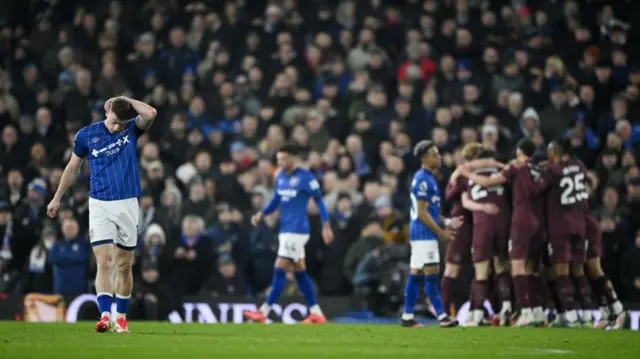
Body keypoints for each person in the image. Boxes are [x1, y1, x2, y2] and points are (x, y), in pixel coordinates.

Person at [46, 96, 157, 333]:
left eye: (121, 123)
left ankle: (121, 317)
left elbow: (150, 113)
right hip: (100, 204)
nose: (117, 127)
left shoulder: (131, 130)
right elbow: (72, 168)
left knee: (124, 265)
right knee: (104, 262)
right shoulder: (85, 135)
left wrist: (125, 99)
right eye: (115, 121)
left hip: (128, 203)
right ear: (106, 111)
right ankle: (105, 316)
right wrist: (57, 197)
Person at [243, 144, 333, 324]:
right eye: (278, 160)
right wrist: (263, 213)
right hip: (285, 230)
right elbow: (277, 198)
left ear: (294, 158)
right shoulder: (280, 176)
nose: (280, 162)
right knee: (300, 272)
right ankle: (316, 313)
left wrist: (326, 226)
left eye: (284, 159)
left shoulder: (306, 178)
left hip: (297, 230)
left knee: (279, 268)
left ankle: (264, 311)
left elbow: (320, 202)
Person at [460, 139, 547, 326]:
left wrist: (466, 172)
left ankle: (520, 312)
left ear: (518, 151)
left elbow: (486, 182)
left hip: (515, 220)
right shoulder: (538, 169)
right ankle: (534, 310)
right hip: (538, 221)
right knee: (531, 269)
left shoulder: (515, 167)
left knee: (507, 268)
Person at [401, 140, 461, 328]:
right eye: (435, 154)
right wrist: (440, 232)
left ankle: (407, 317)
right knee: (432, 276)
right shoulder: (423, 180)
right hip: (424, 234)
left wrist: (448, 222)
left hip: (421, 234)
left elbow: (431, 211)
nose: (439, 156)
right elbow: (421, 212)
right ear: (425, 157)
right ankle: (442, 317)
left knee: (416, 275)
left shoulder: (428, 178)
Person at [540, 139, 589, 328]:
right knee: (578, 271)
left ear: (555, 152)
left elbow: (542, 182)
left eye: (549, 151)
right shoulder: (579, 165)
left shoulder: (552, 170)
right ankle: (585, 314)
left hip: (560, 225)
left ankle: (570, 316)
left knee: (560, 271)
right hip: (579, 223)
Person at [460, 149, 512, 326]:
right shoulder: (503, 172)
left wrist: (480, 207)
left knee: (481, 272)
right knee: (502, 268)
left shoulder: (467, 175)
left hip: (482, 226)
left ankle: (477, 312)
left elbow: (464, 201)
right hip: (503, 224)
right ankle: (507, 308)